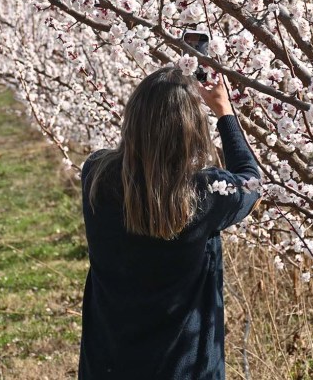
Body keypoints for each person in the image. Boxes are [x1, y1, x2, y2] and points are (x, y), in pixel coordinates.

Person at [78, 66, 262, 379]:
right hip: (184, 368)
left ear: (132, 119)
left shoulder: (96, 175)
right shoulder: (205, 195)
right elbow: (252, 182)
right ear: (192, 130)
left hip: (107, 363)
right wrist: (225, 112)